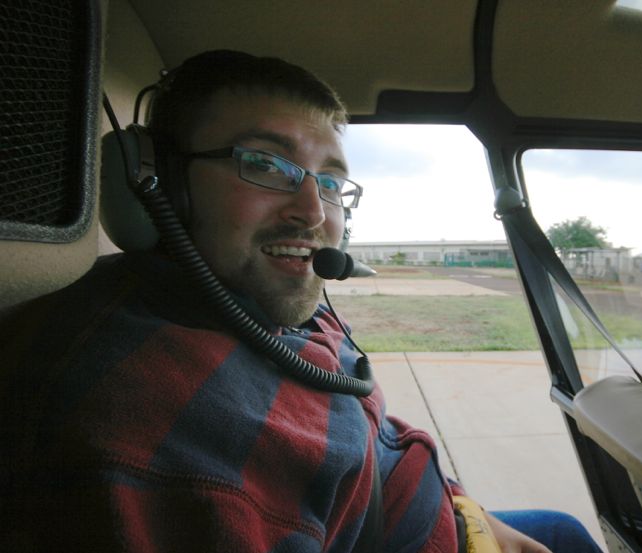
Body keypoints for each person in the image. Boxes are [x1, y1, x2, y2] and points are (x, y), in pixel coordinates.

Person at [0, 50, 601, 553]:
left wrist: (470, 516)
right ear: (155, 183)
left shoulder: (242, 303)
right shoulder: (160, 437)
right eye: (265, 164)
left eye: (332, 181)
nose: (314, 213)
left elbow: (355, 420)